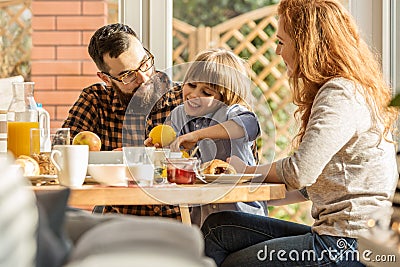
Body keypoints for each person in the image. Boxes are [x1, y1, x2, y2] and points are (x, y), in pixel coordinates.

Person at [200, 0, 399, 266]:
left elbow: (299, 172)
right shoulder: (350, 89)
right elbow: (312, 185)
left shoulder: (339, 93)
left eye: (282, 42)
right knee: (218, 227)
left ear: (307, 44)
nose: (277, 51)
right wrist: (249, 191)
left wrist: (244, 171)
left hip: (349, 244)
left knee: (235, 263)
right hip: (343, 237)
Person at [62, 23, 183, 218]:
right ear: (106, 78)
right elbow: (64, 153)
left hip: (184, 223)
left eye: (144, 63)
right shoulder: (95, 100)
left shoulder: (185, 98)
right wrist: (109, 161)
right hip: (120, 225)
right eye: (128, 75)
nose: (144, 79)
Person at [147, 48, 268, 225]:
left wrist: (197, 136)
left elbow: (248, 125)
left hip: (244, 215)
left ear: (225, 97)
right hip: (203, 217)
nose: (194, 95)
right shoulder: (179, 114)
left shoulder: (231, 112)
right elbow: (175, 155)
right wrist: (159, 152)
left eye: (207, 92)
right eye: (192, 85)